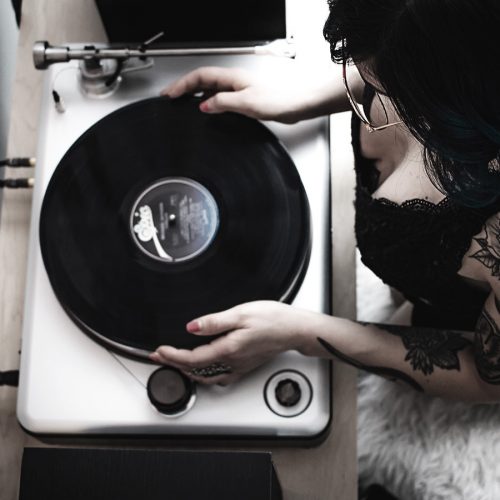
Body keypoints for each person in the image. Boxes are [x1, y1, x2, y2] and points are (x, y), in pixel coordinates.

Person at [149, 0, 500, 402]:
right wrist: (300, 99)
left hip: (447, 318)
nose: (375, 97)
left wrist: (301, 333)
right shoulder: (418, 42)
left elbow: (487, 380)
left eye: (401, 93)